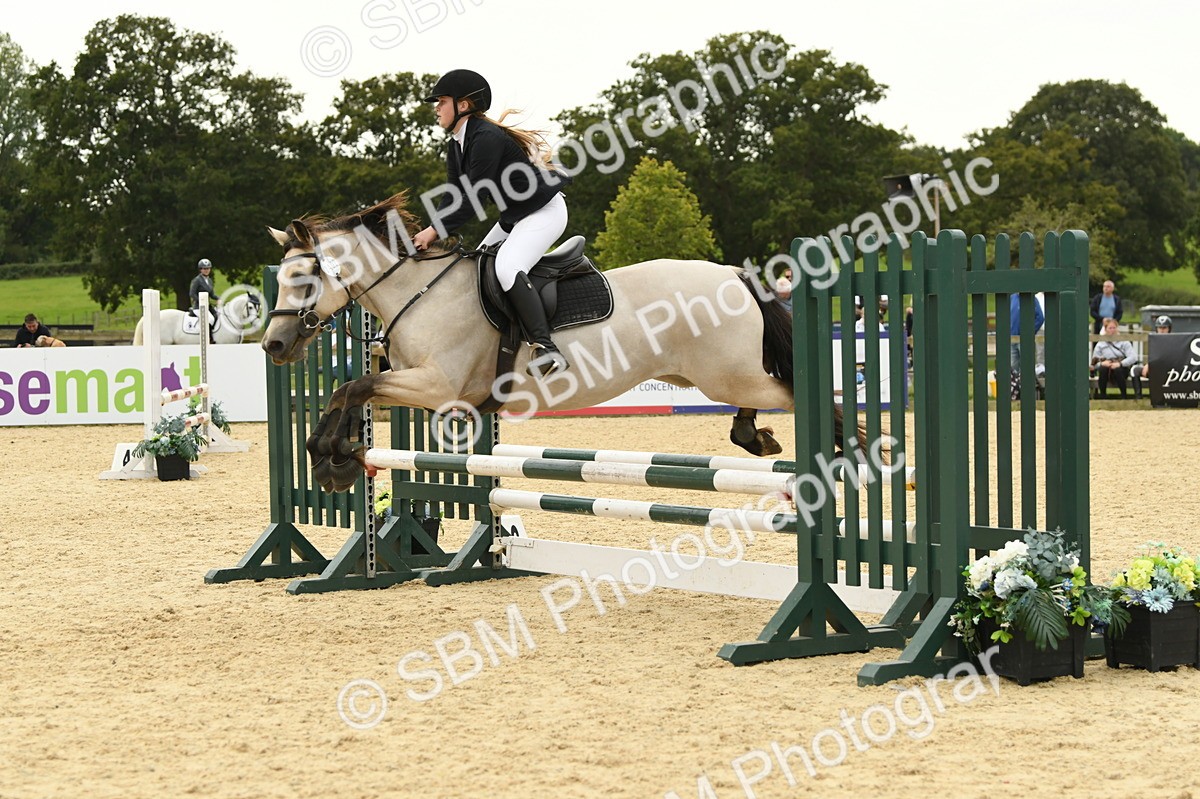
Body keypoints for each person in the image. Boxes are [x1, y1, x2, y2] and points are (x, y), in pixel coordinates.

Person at [412, 69, 572, 377]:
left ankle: (546, 348)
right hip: (516, 217)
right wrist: (433, 230)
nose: (437, 108)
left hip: (544, 211)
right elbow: (454, 195)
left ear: (463, 105)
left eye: (442, 101)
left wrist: (434, 231)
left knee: (507, 268)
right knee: (475, 271)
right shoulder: (457, 144)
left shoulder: (485, 138)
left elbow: (475, 197)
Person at [1090, 317, 1137, 397]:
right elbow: (1094, 361)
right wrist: (1102, 363)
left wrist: (1120, 364)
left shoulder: (1124, 342)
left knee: (1118, 370)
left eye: (1114, 328)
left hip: (1121, 368)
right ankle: (1103, 396)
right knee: (1103, 369)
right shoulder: (1101, 343)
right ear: (1105, 329)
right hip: (1107, 367)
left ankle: (1124, 396)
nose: (1112, 330)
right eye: (1110, 328)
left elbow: (1133, 357)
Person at [1131, 315, 1172, 396]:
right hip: (1153, 367)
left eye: (1164, 328)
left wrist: (1150, 365)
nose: (1162, 330)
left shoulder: (1172, 341)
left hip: (1168, 370)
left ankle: (1160, 398)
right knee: (1134, 370)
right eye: (1160, 328)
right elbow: (1153, 356)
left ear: (1169, 329)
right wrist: (1148, 365)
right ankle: (1138, 398)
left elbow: (1165, 357)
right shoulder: (1153, 340)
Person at [190, 259, 218, 342]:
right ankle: (208, 338)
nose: (206, 270)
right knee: (210, 319)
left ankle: (213, 333)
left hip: (207, 306)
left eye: (208, 268)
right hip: (199, 306)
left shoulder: (209, 280)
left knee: (217, 315)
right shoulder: (197, 280)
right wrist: (201, 301)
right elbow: (192, 293)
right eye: (204, 269)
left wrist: (219, 298)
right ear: (200, 269)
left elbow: (212, 295)